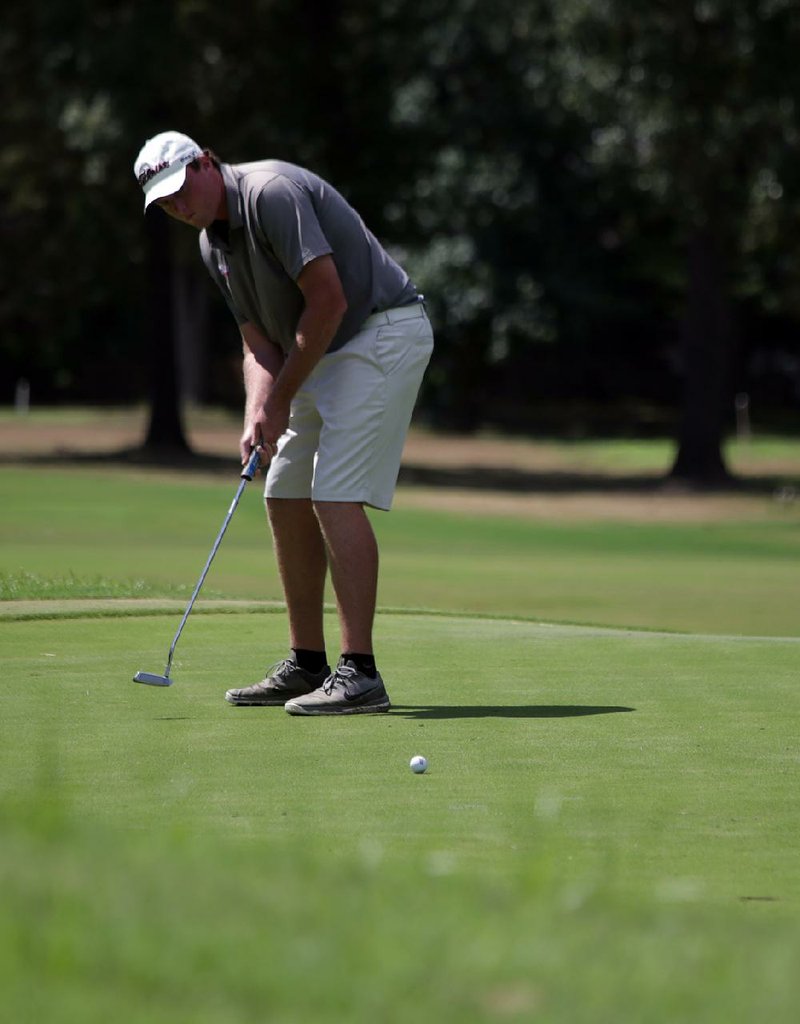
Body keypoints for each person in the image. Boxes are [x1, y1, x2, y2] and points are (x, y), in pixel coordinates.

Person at [133, 130, 433, 715]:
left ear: (206, 162)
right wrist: (257, 410)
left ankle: (361, 674)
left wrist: (280, 401)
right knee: (284, 491)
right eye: (164, 203)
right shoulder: (210, 245)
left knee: (335, 493)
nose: (178, 206)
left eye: (179, 189)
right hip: (322, 348)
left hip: (380, 330)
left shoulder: (271, 194)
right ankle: (307, 664)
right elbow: (258, 343)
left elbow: (329, 302)